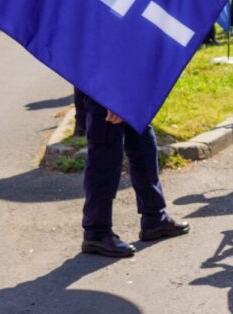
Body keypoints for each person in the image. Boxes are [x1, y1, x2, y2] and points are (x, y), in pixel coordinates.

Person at [77, 96, 190, 258]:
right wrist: (111, 97)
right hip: (107, 92)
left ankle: (154, 217)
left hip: (130, 91)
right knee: (104, 159)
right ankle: (96, 232)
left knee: (144, 146)